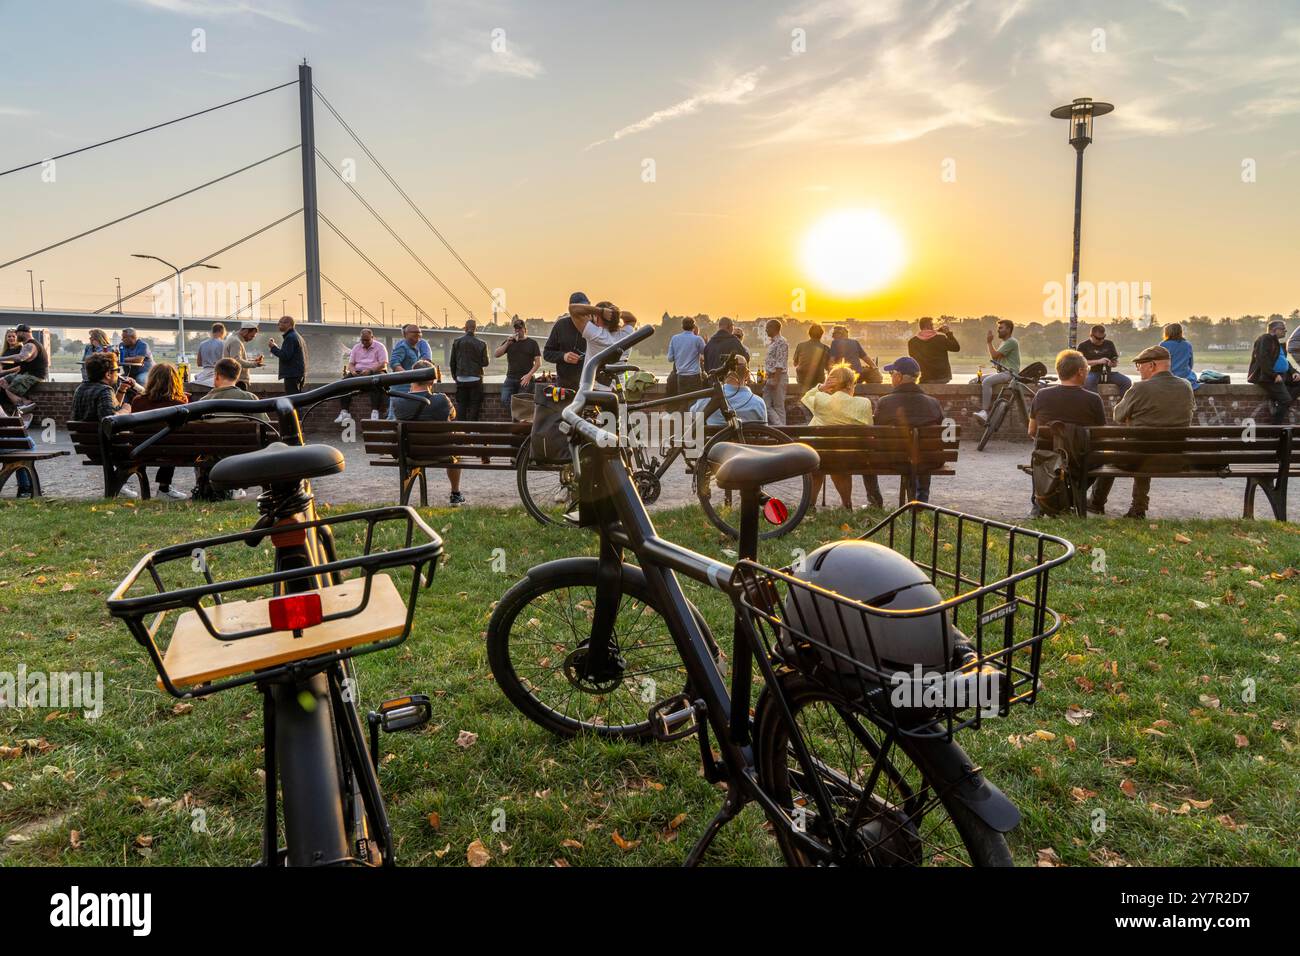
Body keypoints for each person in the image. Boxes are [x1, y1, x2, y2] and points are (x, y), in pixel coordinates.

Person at [1087, 345, 1195, 518]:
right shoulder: (1186, 386)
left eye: (1140, 365)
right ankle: (1138, 507)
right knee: (1144, 447)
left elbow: (1118, 415)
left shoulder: (1140, 388)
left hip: (1138, 458)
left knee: (1114, 452)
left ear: (1152, 365)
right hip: (1175, 457)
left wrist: (1134, 420)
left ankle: (1096, 503)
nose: (1138, 370)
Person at [1026, 349, 1106, 516]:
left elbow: (1032, 431)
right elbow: (1101, 436)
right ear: (1080, 372)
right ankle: (1087, 501)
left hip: (1048, 459)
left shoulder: (1041, 395)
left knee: (1039, 453)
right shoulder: (1093, 399)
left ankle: (1041, 501)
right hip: (1082, 460)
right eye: (1087, 370)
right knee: (1106, 459)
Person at [800, 364, 882, 510]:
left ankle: (810, 505)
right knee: (839, 461)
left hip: (819, 456)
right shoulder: (863, 403)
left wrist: (821, 388)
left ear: (831, 385)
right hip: (849, 457)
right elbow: (868, 431)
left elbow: (806, 398)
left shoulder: (821, 400)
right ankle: (846, 505)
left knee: (819, 463)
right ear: (850, 384)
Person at [391, 359, 465, 506]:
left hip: (410, 454)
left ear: (411, 378)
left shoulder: (398, 402)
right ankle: (455, 493)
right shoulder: (441, 400)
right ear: (432, 380)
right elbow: (453, 416)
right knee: (456, 444)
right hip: (441, 453)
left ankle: (404, 501)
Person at [875, 356, 945, 503]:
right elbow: (942, 435)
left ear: (899, 377)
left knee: (915, 451)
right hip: (928, 461)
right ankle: (922, 497)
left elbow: (877, 434)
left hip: (893, 459)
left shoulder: (885, 402)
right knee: (925, 450)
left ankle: (875, 500)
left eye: (891, 374)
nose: (890, 377)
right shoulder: (933, 403)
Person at [128, 362, 191, 499]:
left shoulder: (138, 401)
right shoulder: (179, 404)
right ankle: (164, 488)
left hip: (142, 449)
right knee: (171, 441)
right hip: (171, 452)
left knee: (166, 441)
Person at [569, 300, 639, 387]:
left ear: (597, 318)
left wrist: (600, 311)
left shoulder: (596, 335)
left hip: (594, 390)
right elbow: (632, 319)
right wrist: (616, 313)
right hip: (619, 390)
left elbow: (573, 309)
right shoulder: (626, 335)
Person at [1248, 319, 1300, 425]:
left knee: (1293, 391)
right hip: (1269, 377)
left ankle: (1279, 400)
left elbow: (1284, 361)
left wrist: (1294, 372)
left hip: (1282, 376)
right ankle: (1274, 429)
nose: (1285, 331)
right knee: (1285, 400)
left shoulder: (1277, 343)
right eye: (1283, 329)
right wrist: (1273, 375)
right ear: (1274, 329)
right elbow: (1263, 358)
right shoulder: (1265, 338)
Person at [691, 356, 765, 426]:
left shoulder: (708, 400)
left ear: (725, 374)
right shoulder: (758, 403)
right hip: (747, 439)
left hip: (716, 439)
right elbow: (764, 435)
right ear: (747, 375)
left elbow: (692, 414)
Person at [336, 328, 389, 423]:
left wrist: (370, 370)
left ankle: (375, 412)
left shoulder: (380, 347)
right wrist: (352, 371)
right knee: (343, 384)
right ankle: (344, 412)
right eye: (362, 340)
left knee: (376, 383)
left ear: (372, 338)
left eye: (367, 340)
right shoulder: (356, 347)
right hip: (358, 372)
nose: (364, 342)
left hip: (375, 371)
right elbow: (351, 364)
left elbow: (383, 364)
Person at [973, 319, 1021, 424]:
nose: (998, 330)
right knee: (976, 380)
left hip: (1010, 373)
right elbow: (995, 359)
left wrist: (989, 342)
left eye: (1001, 328)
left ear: (1008, 329)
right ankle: (981, 409)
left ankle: (985, 412)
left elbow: (994, 355)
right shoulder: (1004, 343)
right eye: (998, 328)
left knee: (986, 382)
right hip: (1003, 373)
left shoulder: (1011, 342)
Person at [195, 357, 269, 424]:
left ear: (217, 375)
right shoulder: (250, 398)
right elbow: (266, 426)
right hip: (243, 439)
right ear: (237, 377)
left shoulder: (202, 403)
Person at [543, 292, 589, 391]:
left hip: (590, 384)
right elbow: (547, 353)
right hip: (565, 385)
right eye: (580, 309)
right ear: (571, 310)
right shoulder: (561, 325)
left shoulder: (595, 325)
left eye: (586, 307)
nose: (583, 312)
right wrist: (564, 356)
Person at [0, 325, 47, 421]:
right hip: (25, 373)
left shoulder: (30, 345)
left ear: (22, 333)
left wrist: (1, 358)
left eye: (17, 333)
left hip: (34, 375)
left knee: (9, 389)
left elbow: (21, 357)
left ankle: (24, 406)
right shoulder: (27, 344)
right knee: (2, 381)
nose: (16, 336)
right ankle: (22, 404)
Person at [495, 317, 541, 406]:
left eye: (520, 329)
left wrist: (529, 375)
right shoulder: (510, 342)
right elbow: (496, 354)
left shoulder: (532, 343)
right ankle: (518, 418)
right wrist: (507, 343)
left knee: (522, 403)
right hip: (510, 377)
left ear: (525, 330)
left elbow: (538, 363)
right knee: (504, 400)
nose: (518, 331)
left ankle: (519, 419)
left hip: (525, 378)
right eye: (516, 329)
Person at [449, 318, 489, 420]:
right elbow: (485, 363)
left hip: (461, 378)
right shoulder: (481, 344)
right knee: (474, 405)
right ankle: (473, 430)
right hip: (475, 378)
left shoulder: (457, 342)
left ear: (465, 328)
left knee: (462, 405)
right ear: (475, 329)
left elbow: (452, 362)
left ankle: (462, 429)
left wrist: (455, 376)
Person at [1077, 324, 1132, 396]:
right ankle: (1096, 404)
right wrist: (1098, 361)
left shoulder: (1109, 344)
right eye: (1098, 338)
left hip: (1107, 373)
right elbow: (1079, 363)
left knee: (1126, 381)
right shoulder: (1083, 346)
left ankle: (1122, 405)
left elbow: (1114, 360)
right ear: (1091, 336)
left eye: (1103, 337)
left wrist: (1113, 363)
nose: (1101, 340)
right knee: (1088, 381)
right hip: (1091, 373)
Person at [907, 317, 960, 385]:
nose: (933, 327)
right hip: (942, 377)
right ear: (928, 326)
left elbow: (913, 359)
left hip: (925, 377)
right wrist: (948, 333)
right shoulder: (940, 339)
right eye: (932, 325)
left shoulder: (912, 342)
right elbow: (956, 347)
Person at [667, 317, 707, 398]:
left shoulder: (674, 338)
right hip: (694, 376)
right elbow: (705, 353)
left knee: (683, 401)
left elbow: (670, 358)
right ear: (693, 326)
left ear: (682, 326)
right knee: (696, 403)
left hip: (681, 376)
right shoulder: (698, 339)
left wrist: (680, 354)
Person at [267, 315, 307, 395]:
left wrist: (273, 348)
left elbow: (285, 356)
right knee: (297, 399)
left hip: (292, 375)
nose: (278, 324)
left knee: (293, 400)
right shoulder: (297, 336)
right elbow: (288, 354)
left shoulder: (290, 338)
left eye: (280, 322)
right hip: (297, 373)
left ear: (288, 324)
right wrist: (275, 347)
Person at [762, 319, 789, 426]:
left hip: (778, 377)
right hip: (770, 377)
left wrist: (776, 379)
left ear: (774, 328)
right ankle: (780, 426)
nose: (765, 330)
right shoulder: (773, 342)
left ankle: (783, 430)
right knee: (765, 405)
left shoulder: (781, 342)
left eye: (767, 327)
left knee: (778, 406)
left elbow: (780, 362)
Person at [223, 320, 264, 384]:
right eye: (251, 336)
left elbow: (234, 359)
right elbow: (237, 361)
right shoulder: (236, 342)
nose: (251, 339)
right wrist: (255, 364)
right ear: (245, 331)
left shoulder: (233, 338)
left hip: (233, 379)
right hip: (238, 380)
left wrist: (253, 361)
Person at [1161, 323, 1199, 391]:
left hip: (1169, 377)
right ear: (1180, 332)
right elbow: (1190, 364)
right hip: (1186, 377)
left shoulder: (1163, 345)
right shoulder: (1187, 345)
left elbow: (1160, 364)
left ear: (1167, 333)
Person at [793, 323, 831, 391]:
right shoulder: (825, 348)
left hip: (802, 379)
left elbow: (795, 364)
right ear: (821, 335)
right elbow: (827, 367)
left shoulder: (800, 346)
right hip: (818, 379)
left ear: (809, 334)